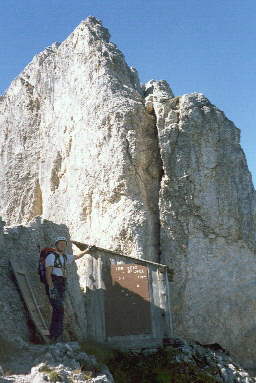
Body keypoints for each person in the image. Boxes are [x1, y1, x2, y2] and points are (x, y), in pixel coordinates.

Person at [45, 236, 94, 343]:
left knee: (59, 310)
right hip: (54, 284)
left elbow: (76, 256)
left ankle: (55, 336)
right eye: (60, 243)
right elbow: (48, 274)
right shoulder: (51, 257)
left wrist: (87, 250)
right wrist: (51, 288)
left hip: (61, 285)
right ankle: (54, 335)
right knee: (59, 309)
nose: (62, 245)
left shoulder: (65, 257)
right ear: (56, 245)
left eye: (64, 244)